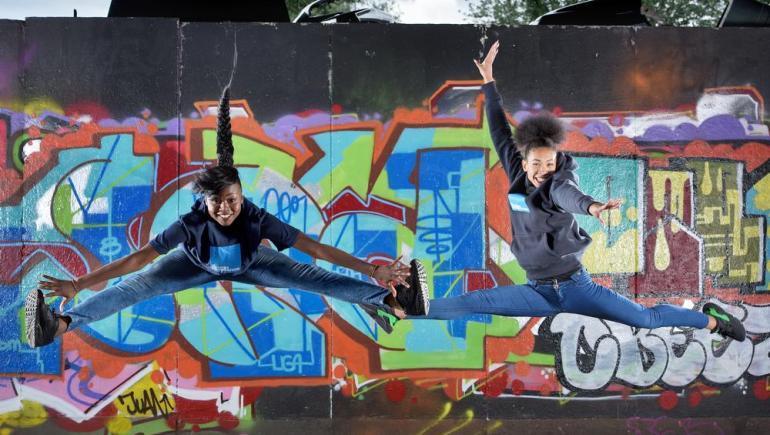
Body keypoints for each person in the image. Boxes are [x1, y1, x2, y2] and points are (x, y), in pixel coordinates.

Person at [25, 87, 430, 348]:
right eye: (217, 202)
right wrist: (78, 283)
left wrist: (373, 270)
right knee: (134, 287)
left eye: (232, 201)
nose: (225, 209)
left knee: (313, 277)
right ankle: (57, 325)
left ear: (242, 196)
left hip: (253, 263)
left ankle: (395, 300)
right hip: (192, 266)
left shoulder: (256, 218)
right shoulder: (191, 224)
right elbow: (138, 259)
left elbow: (315, 248)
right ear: (205, 201)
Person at [396, 41, 745, 342]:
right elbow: (500, 130)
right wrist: (488, 82)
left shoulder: (557, 184)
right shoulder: (517, 172)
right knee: (475, 302)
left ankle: (714, 321)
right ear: (524, 161)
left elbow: (569, 196)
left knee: (645, 318)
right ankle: (406, 310)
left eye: (549, 165)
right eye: (536, 164)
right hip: (537, 291)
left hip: (576, 287)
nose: (542, 172)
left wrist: (592, 208)